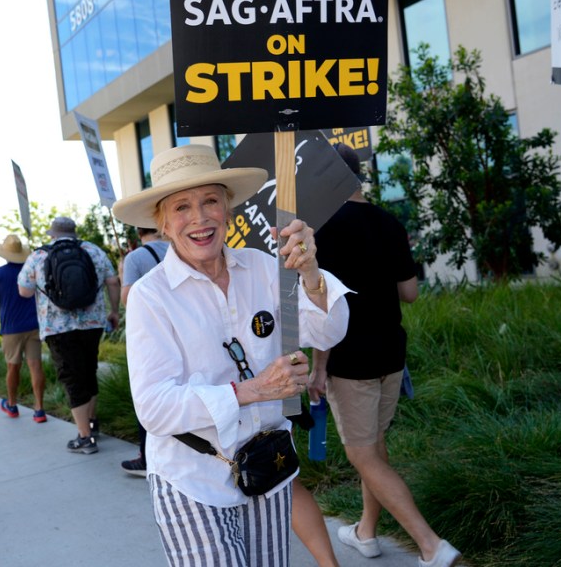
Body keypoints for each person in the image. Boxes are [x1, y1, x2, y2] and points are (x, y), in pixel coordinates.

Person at [112, 144, 350, 566]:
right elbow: (154, 409)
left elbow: (328, 329)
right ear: (162, 223)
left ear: (230, 209)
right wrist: (250, 390)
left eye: (210, 202)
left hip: (269, 466)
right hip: (192, 477)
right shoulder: (151, 297)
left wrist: (311, 274)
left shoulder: (263, 268)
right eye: (181, 207)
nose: (199, 218)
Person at [309, 143, 461, 567]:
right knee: (373, 448)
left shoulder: (319, 232)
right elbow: (410, 293)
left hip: (350, 358)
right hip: (392, 352)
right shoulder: (391, 223)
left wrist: (319, 369)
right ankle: (366, 532)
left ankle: (431, 546)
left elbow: (322, 311)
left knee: (362, 454)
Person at [18, 216, 121, 454]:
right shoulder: (93, 251)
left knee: (71, 378)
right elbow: (113, 281)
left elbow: (24, 290)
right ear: (75, 233)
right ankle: (92, 424)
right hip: (92, 323)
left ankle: (85, 438)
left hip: (57, 327)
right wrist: (114, 311)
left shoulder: (39, 255)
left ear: (52, 234)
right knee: (88, 371)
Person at [119, 226, 169, 476]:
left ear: (140, 233)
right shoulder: (177, 248)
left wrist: (123, 273)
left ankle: (146, 459)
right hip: (182, 329)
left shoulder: (135, 257)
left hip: (151, 334)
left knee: (150, 394)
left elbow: (128, 298)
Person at [0, 234, 46, 422]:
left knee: (13, 367)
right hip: (34, 324)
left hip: (11, 327)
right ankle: (39, 409)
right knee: (35, 365)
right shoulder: (31, 269)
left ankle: (12, 405)